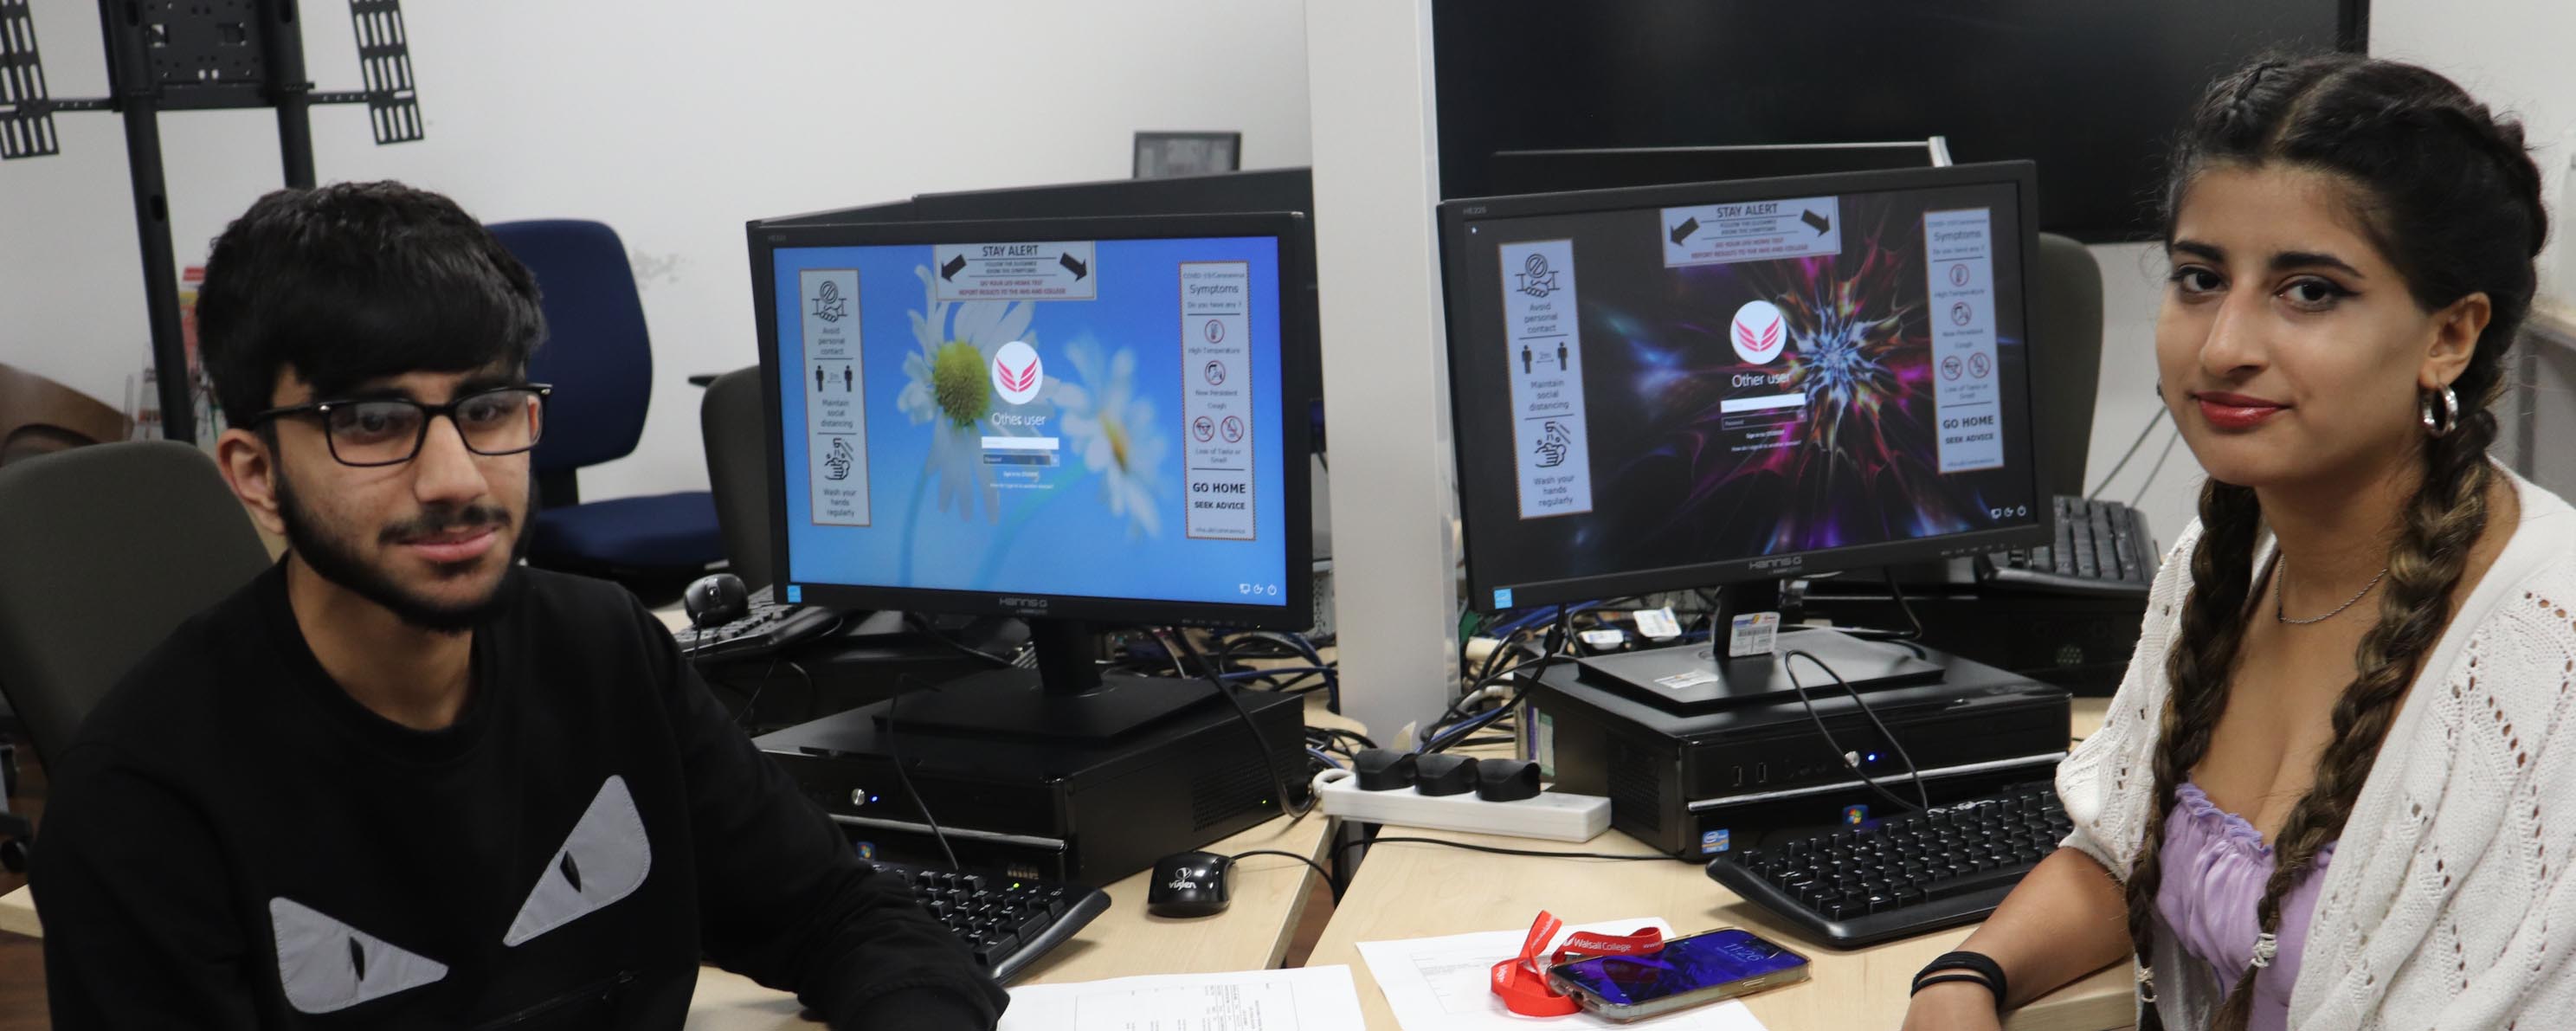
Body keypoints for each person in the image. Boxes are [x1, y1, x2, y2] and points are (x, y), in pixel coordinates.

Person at [30, 182, 1008, 1029]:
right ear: (255, 473)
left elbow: (844, 917)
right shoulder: (143, 803)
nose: (456, 477)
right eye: (374, 423)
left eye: (490, 409)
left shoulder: (603, 651)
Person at [1902, 53, 2576, 1030]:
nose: (2222, 346)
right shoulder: (2228, 559)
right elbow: (2122, 854)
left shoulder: (2546, 660)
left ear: (2450, 337)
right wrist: (1967, 978)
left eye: (2309, 291)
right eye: (2200, 278)